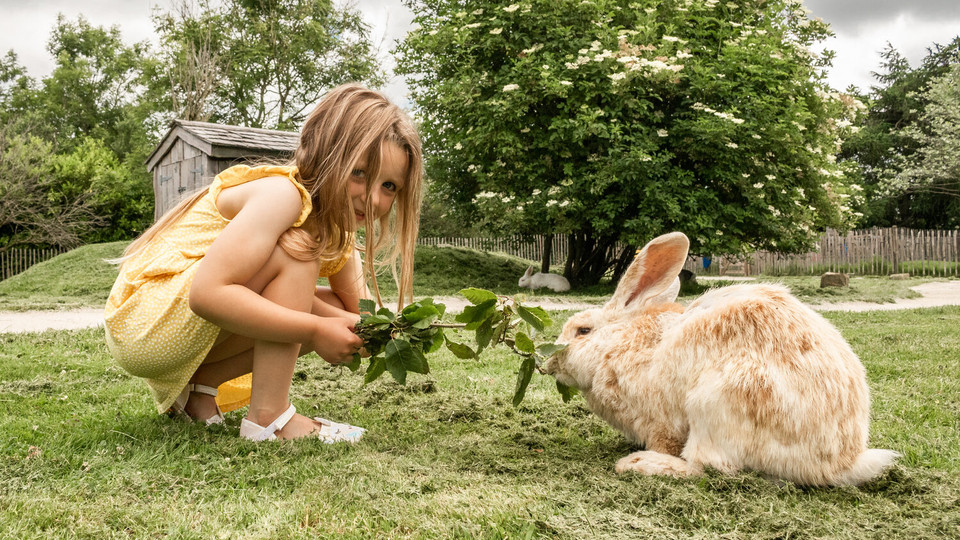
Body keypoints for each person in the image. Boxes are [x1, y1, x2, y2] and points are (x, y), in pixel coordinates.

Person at [104, 84, 423, 442]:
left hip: (169, 331)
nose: (374, 198)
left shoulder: (337, 231)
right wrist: (315, 330)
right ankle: (269, 418)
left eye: (390, 186)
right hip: (146, 325)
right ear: (325, 154)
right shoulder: (282, 195)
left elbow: (358, 311)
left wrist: (386, 331)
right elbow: (207, 294)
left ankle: (200, 391)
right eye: (359, 173)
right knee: (299, 255)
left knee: (329, 305)